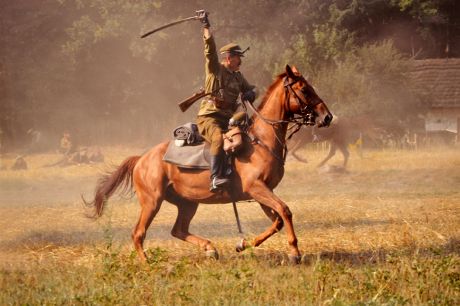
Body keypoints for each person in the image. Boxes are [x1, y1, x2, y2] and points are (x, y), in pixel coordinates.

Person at [195, 11, 257, 191]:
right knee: (217, 138)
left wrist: (251, 93)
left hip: (228, 118)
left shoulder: (237, 77)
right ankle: (215, 178)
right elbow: (210, 50)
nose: (241, 61)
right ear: (229, 58)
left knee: (246, 136)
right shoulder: (215, 69)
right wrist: (205, 26)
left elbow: (252, 88)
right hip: (210, 117)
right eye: (238, 57)